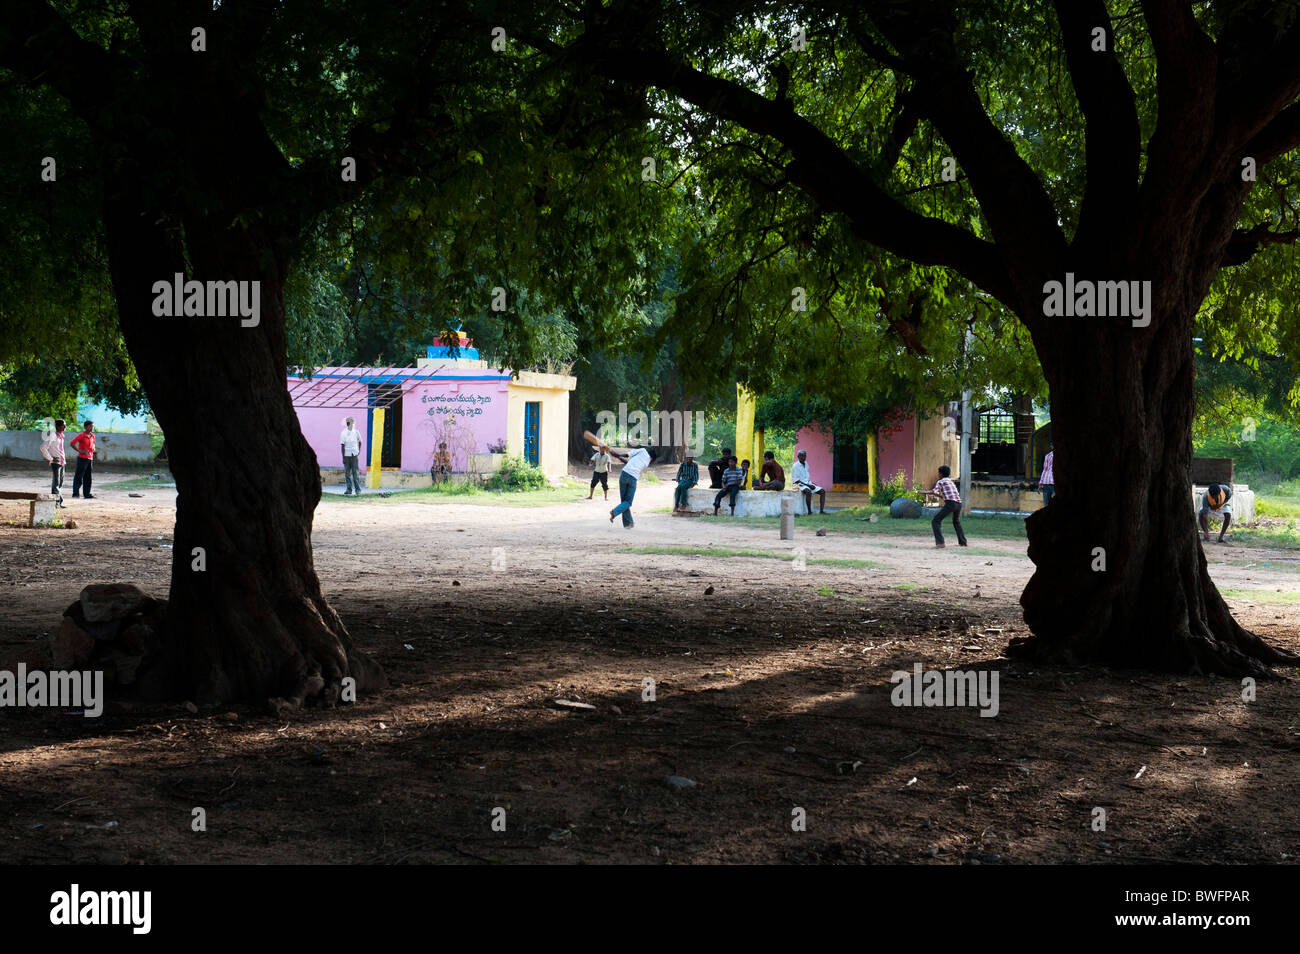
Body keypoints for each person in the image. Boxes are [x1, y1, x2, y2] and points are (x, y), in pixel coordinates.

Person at [609, 445, 656, 528]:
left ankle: (628, 524)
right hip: (633, 478)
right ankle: (615, 512)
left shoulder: (642, 450)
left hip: (624, 474)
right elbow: (629, 459)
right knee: (628, 502)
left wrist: (617, 455)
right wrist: (617, 455)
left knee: (624, 502)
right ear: (652, 458)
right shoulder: (647, 463)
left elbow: (628, 456)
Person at [924, 464, 968, 548]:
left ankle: (940, 543)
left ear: (941, 474)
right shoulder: (950, 481)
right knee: (956, 522)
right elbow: (944, 496)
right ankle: (963, 542)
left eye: (938, 473)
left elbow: (934, 491)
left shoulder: (940, 481)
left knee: (935, 521)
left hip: (951, 504)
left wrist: (921, 492)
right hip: (958, 504)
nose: (938, 474)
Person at [40, 419, 67, 507]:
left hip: (62, 462)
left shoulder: (61, 436)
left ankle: (58, 502)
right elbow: (43, 447)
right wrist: (50, 458)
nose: (65, 426)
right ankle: (55, 503)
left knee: (60, 483)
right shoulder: (53, 436)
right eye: (63, 425)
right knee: (56, 483)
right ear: (58, 426)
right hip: (56, 463)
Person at [791, 450, 826, 515]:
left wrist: (812, 484)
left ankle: (821, 511)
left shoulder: (806, 464)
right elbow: (796, 480)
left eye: (805, 456)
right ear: (798, 456)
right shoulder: (795, 466)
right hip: (799, 484)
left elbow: (806, 478)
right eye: (802, 456)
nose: (803, 457)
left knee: (822, 491)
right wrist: (809, 486)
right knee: (808, 491)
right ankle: (809, 512)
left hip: (807, 483)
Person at [70, 420, 96, 499]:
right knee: (79, 476)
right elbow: (72, 443)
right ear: (85, 427)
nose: (92, 428)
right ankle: (75, 494)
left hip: (90, 458)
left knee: (88, 477)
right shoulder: (81, 435)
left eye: (92, 426)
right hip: (82, 459)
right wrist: (79, 450)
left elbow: (93, 445)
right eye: (90, 426)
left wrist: (93, 450)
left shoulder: (92, 436)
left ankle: (87, 494)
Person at [340, 417, 363, 495]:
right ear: (348, 424)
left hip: (354, 455)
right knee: (347, 473)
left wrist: (359, 450)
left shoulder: (356, 432)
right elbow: (342, 446)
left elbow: (360, 441)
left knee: (355, 472)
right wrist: (343, 457)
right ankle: (349, 490)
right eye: (351, 423)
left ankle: (358, 490)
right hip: (346, 455)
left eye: (353, 422)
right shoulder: (343, 433)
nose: (353, 424)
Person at [1039, 441, 1055, 506]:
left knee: (1046, 504)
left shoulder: (1047, 456)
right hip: (1052, 483)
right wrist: (1040, 483)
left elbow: (1045, 470)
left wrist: (1040, 483)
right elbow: (1045, 469)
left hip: (1046, 481)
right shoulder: (1048, 456)